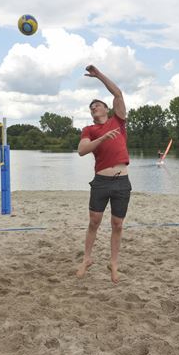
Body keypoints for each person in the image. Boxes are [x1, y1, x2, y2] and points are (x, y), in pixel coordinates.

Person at [76, 65, 131, 284]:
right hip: (101, 181)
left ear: (107, 109)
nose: (93, 108)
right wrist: (102, 138)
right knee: (94, 222)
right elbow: (82, 151)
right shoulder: (89, 130)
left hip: (122, 181)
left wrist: (98, 75)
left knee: (117, 224)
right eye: (91, 108)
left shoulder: (117, 120)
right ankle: (87, 259)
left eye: (97, 105)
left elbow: (118, 93)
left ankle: (113, 263)